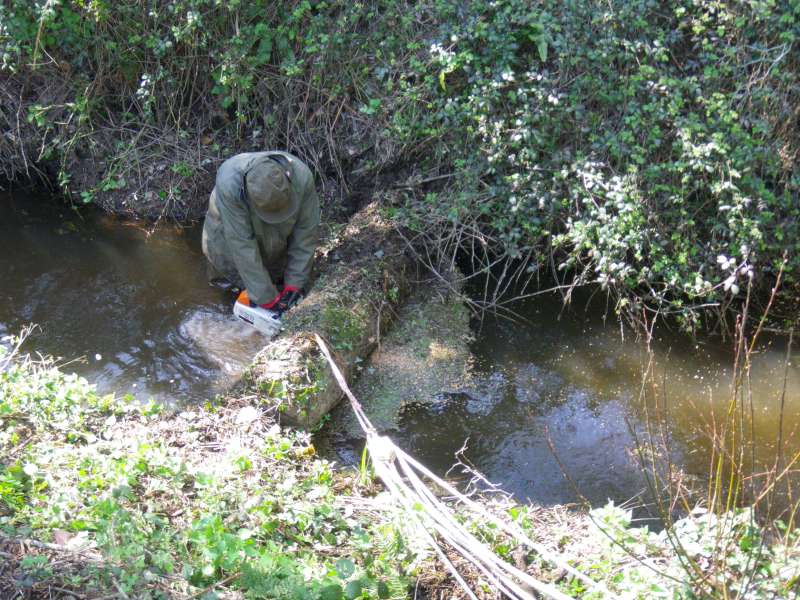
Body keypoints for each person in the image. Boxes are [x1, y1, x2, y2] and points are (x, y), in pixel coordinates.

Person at [202, 151, 320, 318]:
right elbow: (241, 243)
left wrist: (295, 283)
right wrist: (266, 298)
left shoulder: (301, 177)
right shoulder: (230, 186)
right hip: (228, 235)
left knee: (278, 272)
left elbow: (305, 232)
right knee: (226, 287)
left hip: (277, 236)